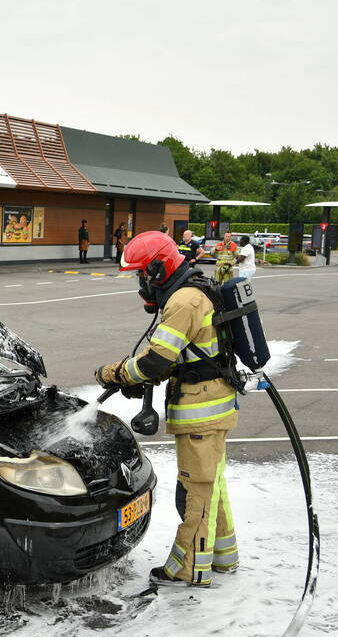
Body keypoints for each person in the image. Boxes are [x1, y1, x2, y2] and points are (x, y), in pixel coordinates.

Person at [95, 231, 239, 588]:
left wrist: (115, 373)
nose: (140, 283)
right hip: (213, 405)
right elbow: (186, 355)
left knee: (195, 492)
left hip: (201, 413)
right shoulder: (193, 292)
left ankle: (189, 569)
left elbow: (155, 361)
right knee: (211, 485)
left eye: (140, 274)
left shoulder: (184, 302)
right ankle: (224, 556)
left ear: (157, 270)